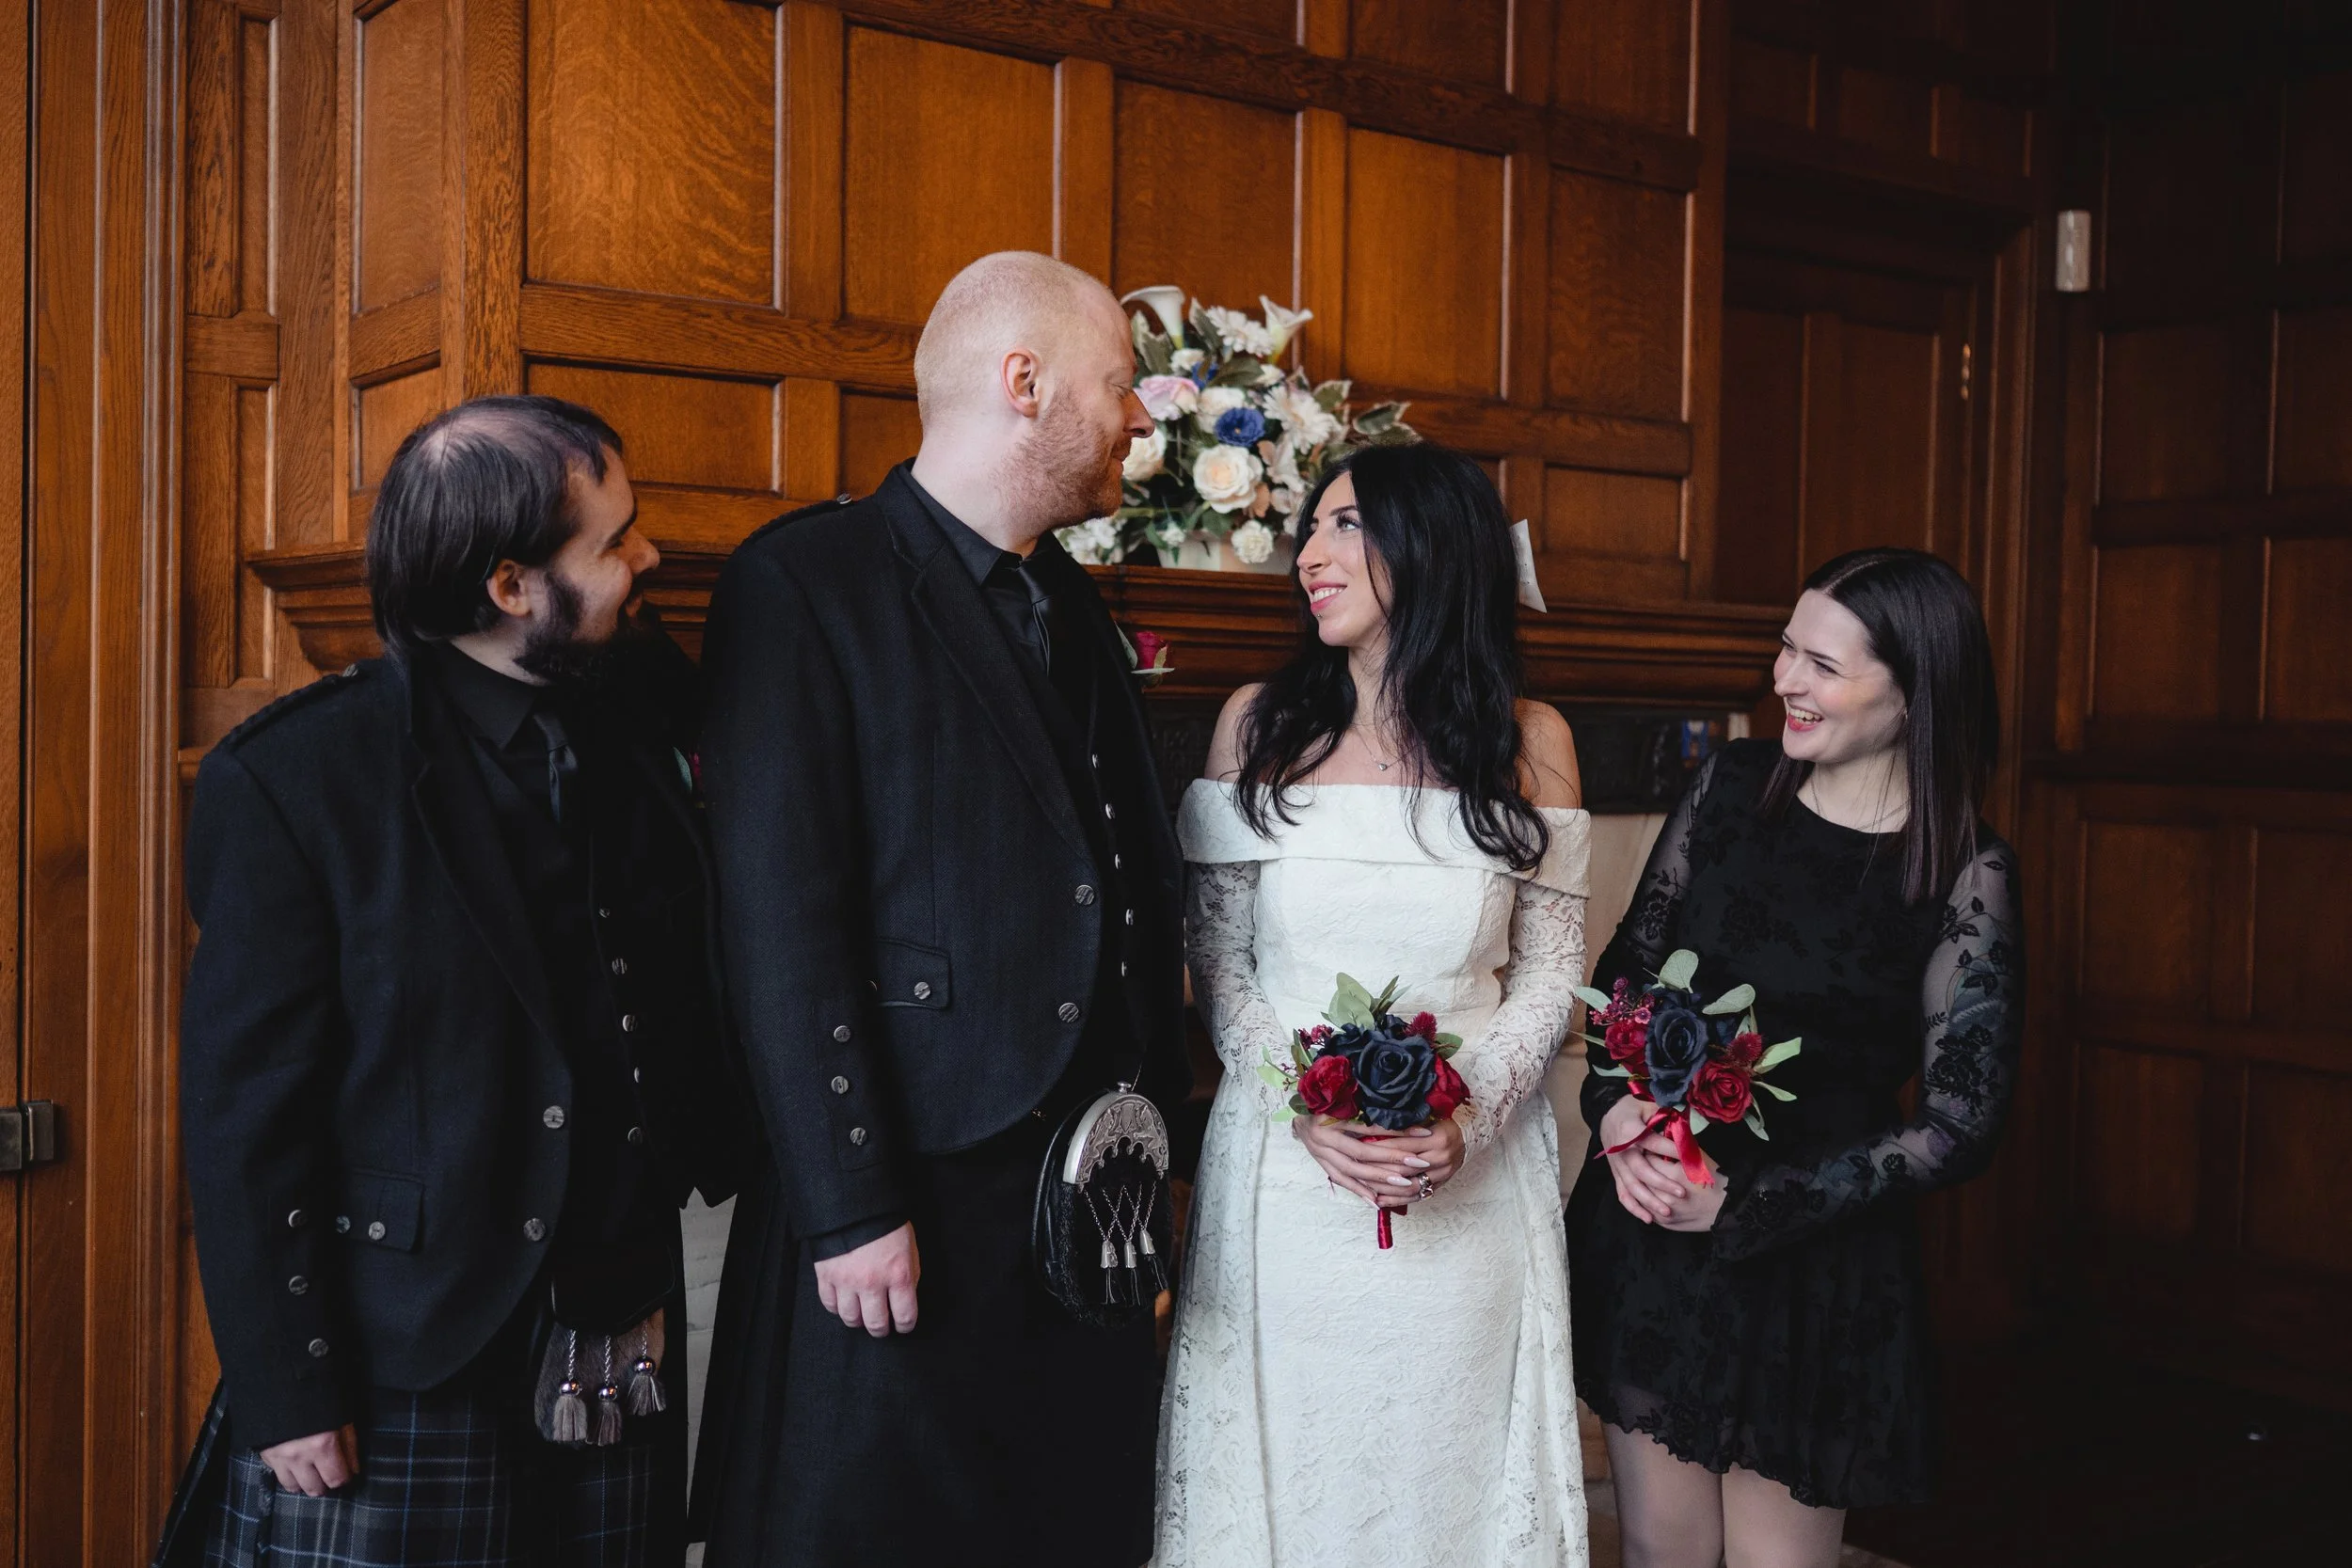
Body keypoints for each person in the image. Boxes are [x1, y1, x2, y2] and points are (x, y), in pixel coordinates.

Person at [155, 395, 749, 1567]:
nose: (648, 556)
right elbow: (244, 1115)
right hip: (407, 1341)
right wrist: (286, 1383)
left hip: (616, 1308)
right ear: (509, 585)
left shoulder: (634, 704)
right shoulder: (295, 781)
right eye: (614, 539)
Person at [690, 251, 1188, 1567]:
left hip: (1076, 1207)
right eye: (1120, 384)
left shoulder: (1071, 600)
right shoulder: (807, 583)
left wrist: (1163, 1151)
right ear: (1022, 384)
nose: (1141, 417)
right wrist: (848, 1202)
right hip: (907, 1194)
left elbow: (1118, 878)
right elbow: (780, 921)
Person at [1155, 441, 1593, 1566]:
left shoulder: (1530, 741)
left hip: (1470, 1181)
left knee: (1438, 1475)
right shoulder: (1259, 724)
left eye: (1345, 525)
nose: (1310, 553)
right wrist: (1301, 1105)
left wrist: (1471, 1112)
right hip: (1286, 1185)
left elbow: (1551, 966)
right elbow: (1222, 961)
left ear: (1429, 548)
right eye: (1309, 526)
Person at [1565, 547, 2025, 1568]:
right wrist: (1615, 1111)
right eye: (1785, 647)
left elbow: (1960, 1122)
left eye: (1821, 664)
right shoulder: (1728, 787)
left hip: (1815, 1261)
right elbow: (1627, 977)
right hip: (1657, 1229)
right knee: (1657, 1546)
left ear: (1913, 694)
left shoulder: (1963, 869)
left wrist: (1747, 1205)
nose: (1783, 679)